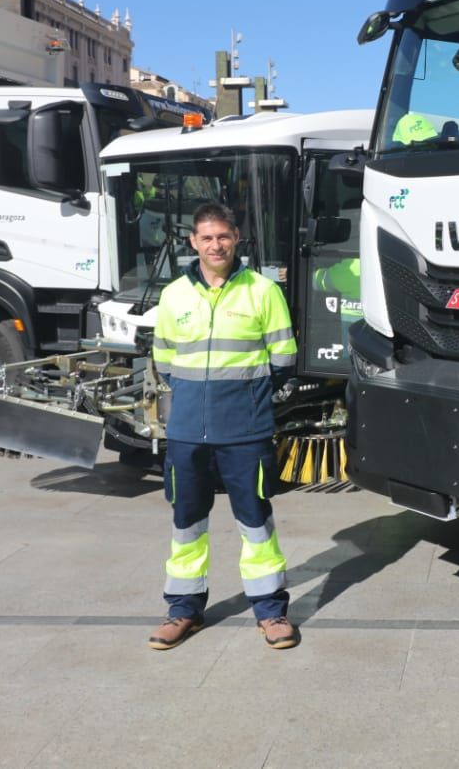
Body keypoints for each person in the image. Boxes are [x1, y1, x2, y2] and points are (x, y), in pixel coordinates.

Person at [147, 202, 300, 652]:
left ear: (236, 239)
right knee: (186, 523)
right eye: (207, 237)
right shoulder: (174, 294)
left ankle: (271, 612)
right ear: (193, 242)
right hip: (187, 430)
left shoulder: (263, 291)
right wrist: (197, 401)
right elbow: (165, 361)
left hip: (245, 430)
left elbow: (283, 361)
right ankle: (183, 609)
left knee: (255, 522)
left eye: (224, 236)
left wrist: (242, 400)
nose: (216, 245)